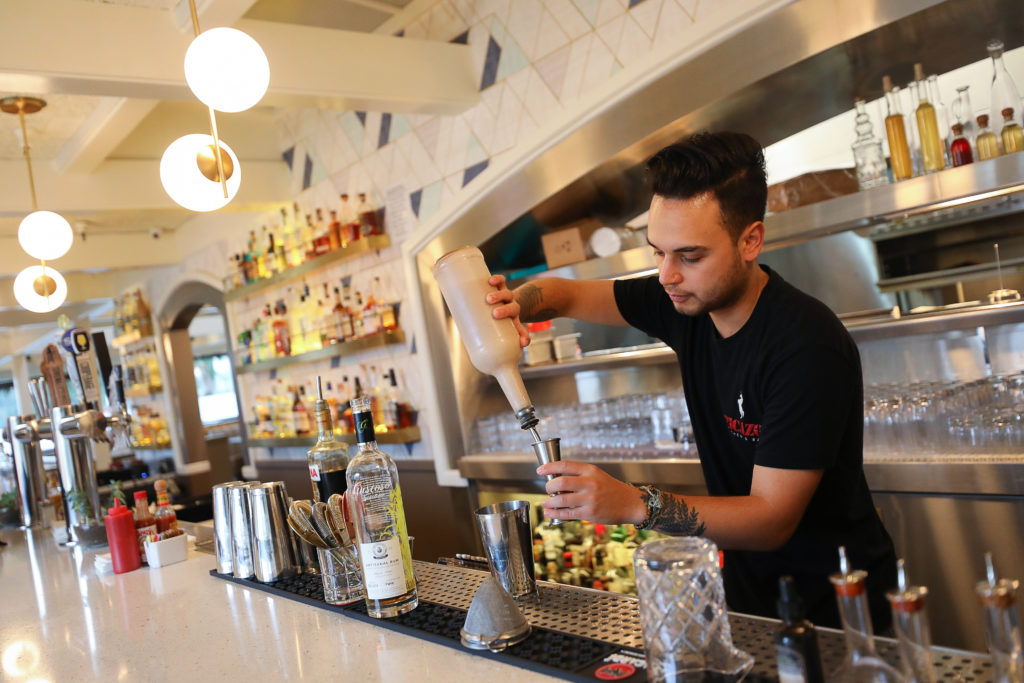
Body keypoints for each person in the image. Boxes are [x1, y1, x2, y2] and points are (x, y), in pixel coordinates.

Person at [486, 131, 897, 630]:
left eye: (689, 255)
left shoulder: (804, 345)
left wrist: (635, 504)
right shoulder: (684, 304)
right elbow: (563, 295)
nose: (666, 275)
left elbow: (771, 520)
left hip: (840, 610)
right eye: (657, 252)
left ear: (751, 240)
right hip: (752, 601)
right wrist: (514, 305)